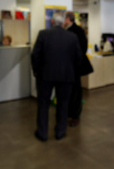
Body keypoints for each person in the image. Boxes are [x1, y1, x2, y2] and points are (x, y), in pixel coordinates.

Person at [31, 10, 82, 141]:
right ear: (63, 22)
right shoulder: (72, 37)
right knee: (63, 104)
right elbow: (78, 58)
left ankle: (42, 133)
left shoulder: (43, 34)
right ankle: (60, 132)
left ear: (52, 21)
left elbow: (35, 55)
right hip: (66, 76)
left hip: (45, 76)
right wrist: (72, 72)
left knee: (43, 104)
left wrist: (36, 71)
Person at [63, 11, 93, 127]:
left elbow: (82, 48)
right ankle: (69, 113)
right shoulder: (69, 30)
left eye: (64, 18)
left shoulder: (77, 31)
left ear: (68, 19)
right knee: (69, 91)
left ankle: (75, 115)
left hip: (74, 67)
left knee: (76, 91)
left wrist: (74, 62)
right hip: (68, 66)